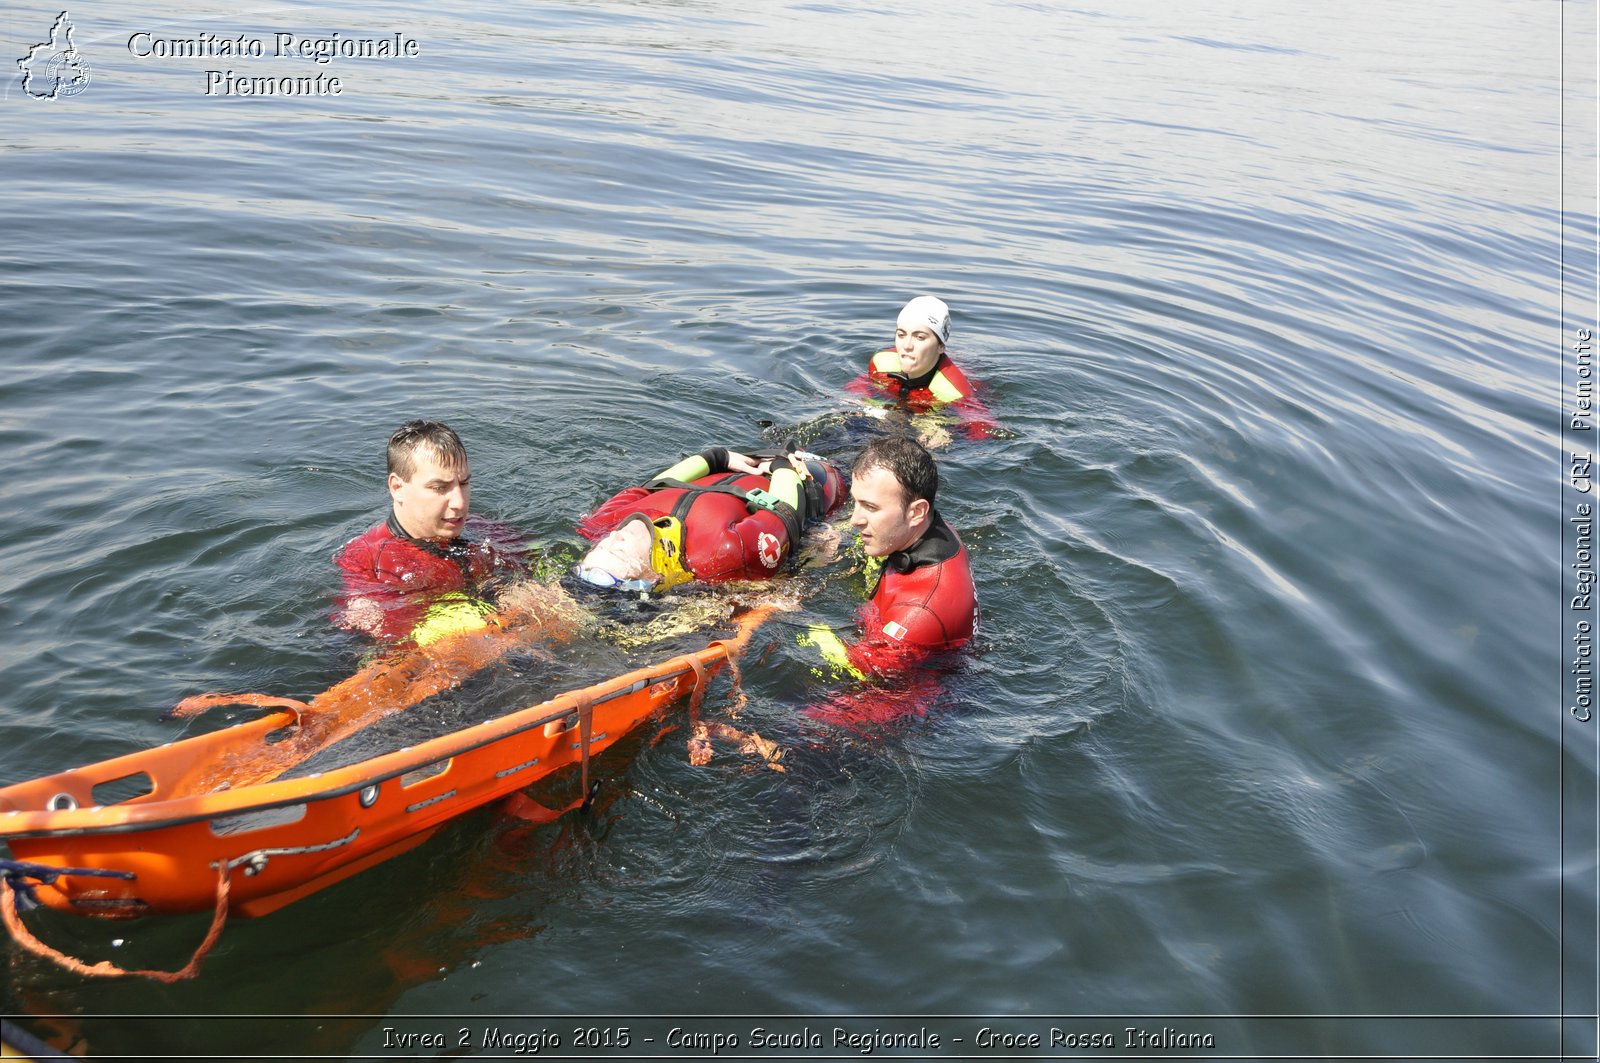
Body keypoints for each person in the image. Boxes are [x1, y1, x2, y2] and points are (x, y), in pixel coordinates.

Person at [799, 434, 978, 681]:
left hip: (901, 698)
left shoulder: (917, 615)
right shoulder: (933, 529)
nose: (854, 520)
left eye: (870, 508)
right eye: (856, 503)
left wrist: (805, 621)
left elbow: (861, 671)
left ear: (916, 512)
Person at [334, 419, 522, 644]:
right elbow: (393, 649)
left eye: (463, 484)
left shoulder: (482, 529)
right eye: (439, 488)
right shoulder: (370, 562)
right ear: (397, 488)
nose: (459, 503)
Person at [574, 444, 846, 590]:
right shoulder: (723, 552)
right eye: (619, 552)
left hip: (744, 459)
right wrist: (783, 463)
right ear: (654, 574)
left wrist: (718, 457)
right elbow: (786, 513)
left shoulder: (602, 521)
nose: (614, 536)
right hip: (813, 476)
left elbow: (653, 486)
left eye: (603, 545)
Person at [846, 295, 999, 441]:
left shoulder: (954, 391)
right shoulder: (881, 365)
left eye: (920, 337)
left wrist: (948, 431)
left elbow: (986, 431)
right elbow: (857, 389)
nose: (907, 346)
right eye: (901, 335)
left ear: (940, 347)